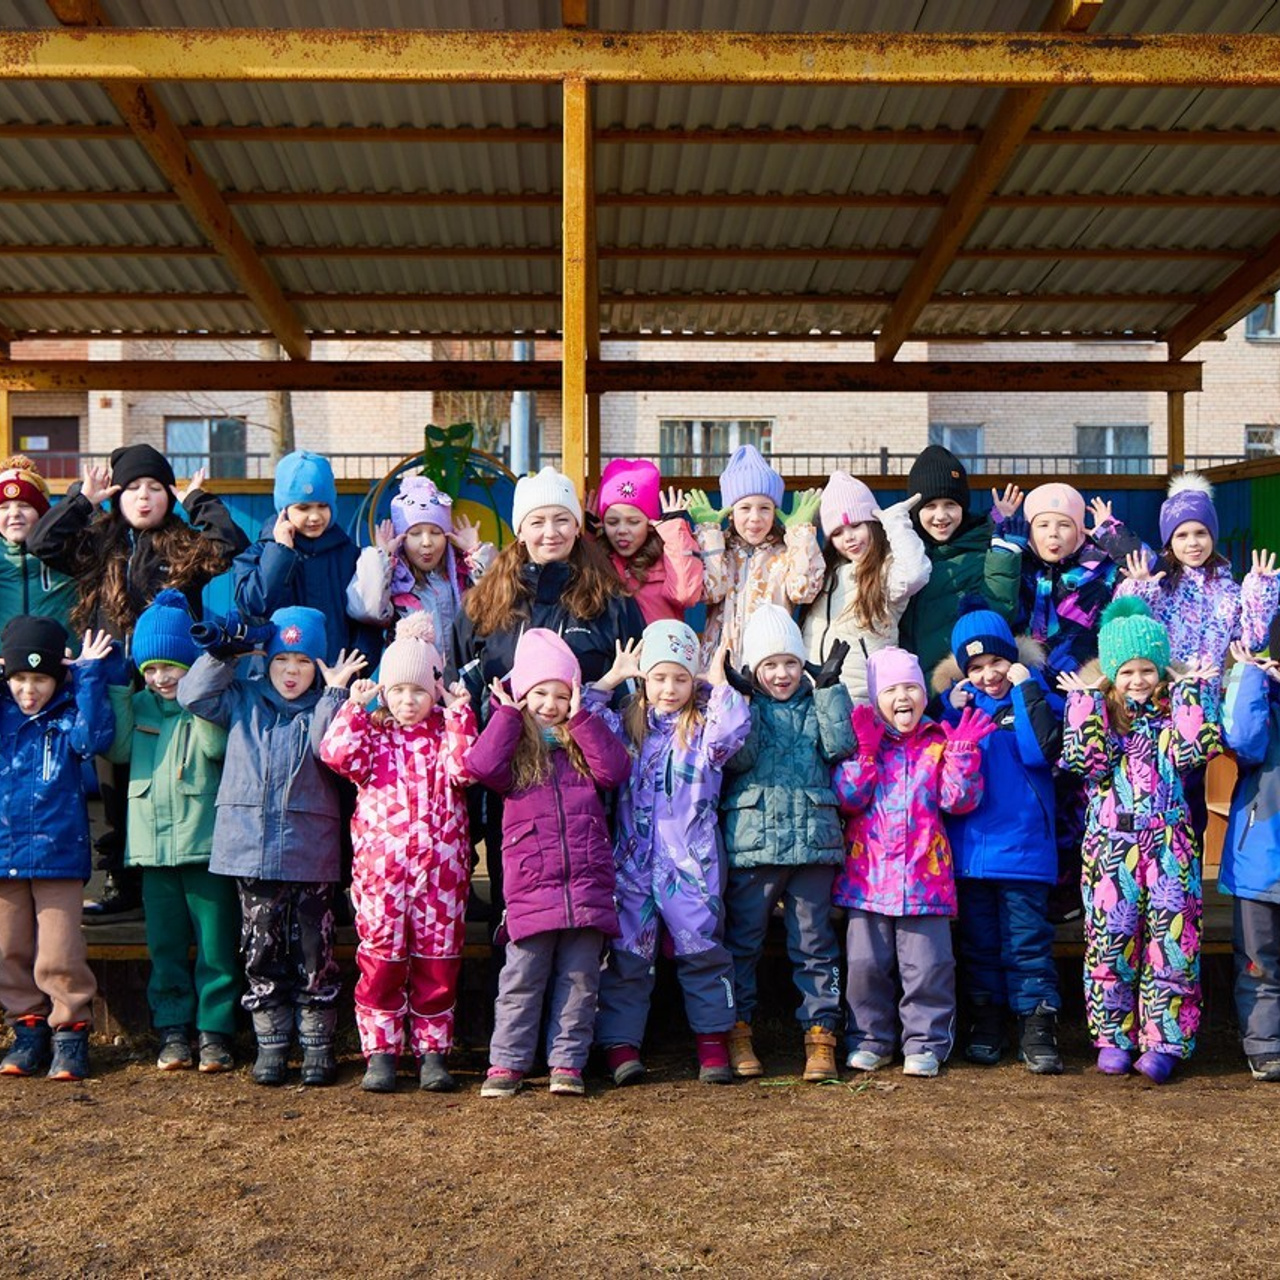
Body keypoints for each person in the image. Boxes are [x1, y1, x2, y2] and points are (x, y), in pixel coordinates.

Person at [27, 444, 248, 916]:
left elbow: (231, 544)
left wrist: (198, 501)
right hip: (112, 680)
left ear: (168, 493)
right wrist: (82, 501)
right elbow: (42, 542)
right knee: (116, 780)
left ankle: (185, 875)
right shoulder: (98, 543)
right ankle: (121, 882)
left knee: (176, 778)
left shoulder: (183, 546)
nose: (144, 497)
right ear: (116, 495)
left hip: (169, 686)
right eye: (132, 488)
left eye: (154, 487)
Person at [179, 606, 365, 1087]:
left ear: (318, 665)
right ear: (267, 661)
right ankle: (272, 1044)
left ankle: (317, 1044)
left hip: (310, 850)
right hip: (250, 847)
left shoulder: (330, 703)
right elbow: (192, 694)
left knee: (314, 951)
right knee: (260, 949)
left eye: (303, 662)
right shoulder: (243, 697)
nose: (291, 672)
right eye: (282, 659)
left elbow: (328, 749)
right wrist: (225, 654)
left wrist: (335, 693)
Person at [451, 465, 643, 927]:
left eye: (561, 519)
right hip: (512, 787)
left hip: (587, 788)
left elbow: (635, 697)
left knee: (589, 903)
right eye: (537, 521)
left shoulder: (611, 601)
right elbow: (461, 692)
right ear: (520, 531)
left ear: (577, 526)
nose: (550, 532)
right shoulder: (484, 604)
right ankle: (508, 974)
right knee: (516, 908)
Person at [464, 629, 631, 1098]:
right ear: (522, 695)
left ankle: (567, 1063)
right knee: (521, 978)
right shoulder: (515, 748)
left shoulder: (582, 743)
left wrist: (583, 718)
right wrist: (505, 716)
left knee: (579, 981)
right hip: (532, 888)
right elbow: (480, 767)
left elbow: (615, 771)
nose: (550, 704)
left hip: (586, 887)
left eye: (561, 694)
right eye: (539, 693)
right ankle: (507, 1062)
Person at [1057, 598, 1219, 1084]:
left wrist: (1189, 689)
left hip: (1170, 845)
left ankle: (1164, 1041)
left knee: (1172, 945)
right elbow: (1085, 761)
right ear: (1111, 674)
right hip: (1111, 846)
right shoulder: (1101, 717)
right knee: (1111, 942)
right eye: (1126, 671)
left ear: (1161, 670)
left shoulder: (1174, 717)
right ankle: (1113, 1037)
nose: (1138, 680)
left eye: (1148, 669)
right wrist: (1085, 701)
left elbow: (1197, 749)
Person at [319, 612, 478, 1095]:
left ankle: (432, 1052)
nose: (409, 701)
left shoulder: (444, 733)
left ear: (435, 692)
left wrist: (459, 714)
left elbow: (466, 769)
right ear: (385, 692)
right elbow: (335, 755)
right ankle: (382, 1051)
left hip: (441, 876)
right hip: (381, 876)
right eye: (399, 691)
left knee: (437, 963)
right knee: (382, 961)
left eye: (419, 692)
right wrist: (354, 708)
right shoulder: (373, 734)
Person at [592, 622, 752, 1086]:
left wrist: (717, 685)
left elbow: (734, 729)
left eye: (680, 678)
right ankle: (620, 1045)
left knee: (702, 949)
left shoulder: (702, 731)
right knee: (628, 954)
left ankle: (713, 1042)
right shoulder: (628, 727)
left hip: (691, 866)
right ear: (644, 678)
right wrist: (609, 680)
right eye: (659, 677)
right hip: (633, 864)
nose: (669, 688)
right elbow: (582, 724)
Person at [833, 646, 994, 1078]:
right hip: (867, 879)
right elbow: (848, 798)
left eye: (911, 687)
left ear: (924, 694)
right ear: (876, 699)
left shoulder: (938, 741)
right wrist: (865, 754)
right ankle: (870, 1039)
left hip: (925, 878)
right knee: (865, 967)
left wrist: (962, 754)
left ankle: (926, 1042)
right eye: (891, 690)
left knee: (927, 967)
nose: (902, 697)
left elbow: (958, 800)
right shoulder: (864, 740)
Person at [105, 590, 240, 1074]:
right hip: (152, 850)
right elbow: (119, 750)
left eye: (171, 667)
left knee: (216, 946)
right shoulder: (138, 705)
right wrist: (118, 687)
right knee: (165, 946)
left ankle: (215, 1031)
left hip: (205, 847)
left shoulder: (203, 704)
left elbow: (215, 748)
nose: (161, 678)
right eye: (151, 669)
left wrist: (197, 694)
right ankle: (173, 1029)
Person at [720, 605, 854, 1081]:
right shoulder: (746, 706)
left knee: (815, 944)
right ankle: (737, 1031)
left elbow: (840, 746)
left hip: (812, 843)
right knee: (742, 942)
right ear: (754, 668)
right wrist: (740, 702)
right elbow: (737, 759)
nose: (782, 674)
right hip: (754, 844)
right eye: (770, 665)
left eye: (791, 663)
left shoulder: (818, 702)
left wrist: (831, 689)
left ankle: (821, 1036)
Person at [931, 599, 1064, 1074]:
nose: (989, 675)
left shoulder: (1036, 699)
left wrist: (1026, 691)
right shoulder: (955, 711)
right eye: (976, 667)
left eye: (997, 662)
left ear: (1013, 658)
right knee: (980, 944)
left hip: (1024, 851)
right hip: (971, 854)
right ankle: (986, 1022)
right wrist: (947, 707)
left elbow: (1039, 753)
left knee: (1027, 944)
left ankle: (1037, 1024)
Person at [1115, 473, 1278, 837]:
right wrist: (1137, 590)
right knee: (1154, 797)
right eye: (1182, 535)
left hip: (1204, 711)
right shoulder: (1158, 584)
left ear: (1212, 536)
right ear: (1169, 542)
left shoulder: (1229, 590)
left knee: (1193, 805)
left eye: (1200, 533)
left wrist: (1260, 590)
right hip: (1157, 709)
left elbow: (1251, 641)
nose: (1193, 543)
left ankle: (1190, 872)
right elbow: (1127, 635)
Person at [0, 618, 114, 1081]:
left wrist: (87, 677)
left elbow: (94, 739)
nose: (29, 691)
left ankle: (69, 1031)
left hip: (59, 855)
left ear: (58, 677)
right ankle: (26, 1029)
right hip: (4, 853)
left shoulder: (67, 714)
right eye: (19, 679)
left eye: (40, 679)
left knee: (59, 953)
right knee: (7, 949)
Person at [233, 449, 381, 665]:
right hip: (277, 678)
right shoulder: (260, 555)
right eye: (303, 507)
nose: (314, 516)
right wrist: (280, 553)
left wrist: (356, 666)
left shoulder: (350, 556)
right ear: (284, 510)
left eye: (322, 506)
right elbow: (253, 605)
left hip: (336, 676)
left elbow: (367, 619)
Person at [689, 444, 824, 667]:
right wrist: (709, 534)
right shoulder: (720, 549)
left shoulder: (786, 553)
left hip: (770, 668)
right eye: (745, 508)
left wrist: (801, 535)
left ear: (775, 512)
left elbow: (803, 591)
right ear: (730, 513)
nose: (755, 517)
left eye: (765, 508)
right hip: (720, 667)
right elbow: (711, 592)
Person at [800, 471, 930, 702]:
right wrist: (801, 531)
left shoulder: (884, 571)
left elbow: (915, 574)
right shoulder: (824, 574)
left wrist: (895, 523)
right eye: (837, 533)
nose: (848, 537)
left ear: (873, 524)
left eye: (856, 525)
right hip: (812, 696)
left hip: (861, 698)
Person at [897, 444, 1021, 677]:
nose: (941, 516)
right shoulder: (902, 552)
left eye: (950, 504)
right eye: (930, 506)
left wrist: (1001, 545)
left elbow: (999, 608)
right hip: (907, 686)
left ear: (963, 507)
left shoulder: (984, 551)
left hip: (960, 684)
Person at [1219, 631, 1280, 1082]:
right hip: (1261, 862)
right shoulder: (1262, 706)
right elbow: (1241, 738)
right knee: (1259, 963)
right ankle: (1265, 1044)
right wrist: (1250, 676)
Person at [346, 473, 494, 648]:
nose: (426, 542)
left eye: (436, 532)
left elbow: (499, 599)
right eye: (415, 533)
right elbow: (364, 609)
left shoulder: (464, 576)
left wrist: (477, 553)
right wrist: (381, 558)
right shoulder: (393, 583)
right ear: (401, 539)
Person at [591, 458, 703, 625]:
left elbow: (685, 595)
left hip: (661, 641)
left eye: (633, 522)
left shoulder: (666, 555)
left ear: (650, 524)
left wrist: (674, 531)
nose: (622, 530)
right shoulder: (600, 559)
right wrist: (587, 534)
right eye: (612, 522)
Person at [0, 454, 76, 634]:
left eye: (25, 506)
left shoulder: (68, 551)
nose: (14, 513)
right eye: (3, 508)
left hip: (63, 652)